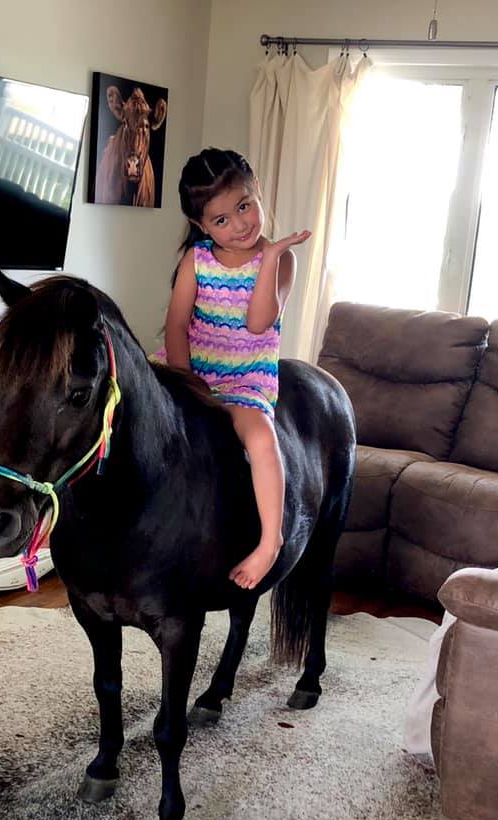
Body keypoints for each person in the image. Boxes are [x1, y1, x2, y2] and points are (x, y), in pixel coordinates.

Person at [164, 148, 311, 590]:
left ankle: (269, 542)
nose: (240, 224)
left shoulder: (282, 260)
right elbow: (176, 325)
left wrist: (271, 258)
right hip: (193, 372)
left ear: (257, 191)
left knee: (262, 438)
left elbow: (259, 321)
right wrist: (185, 383)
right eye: (222, 219)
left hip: (245, 380)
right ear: (201, 226)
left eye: (245, 206)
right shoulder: (196, 260)